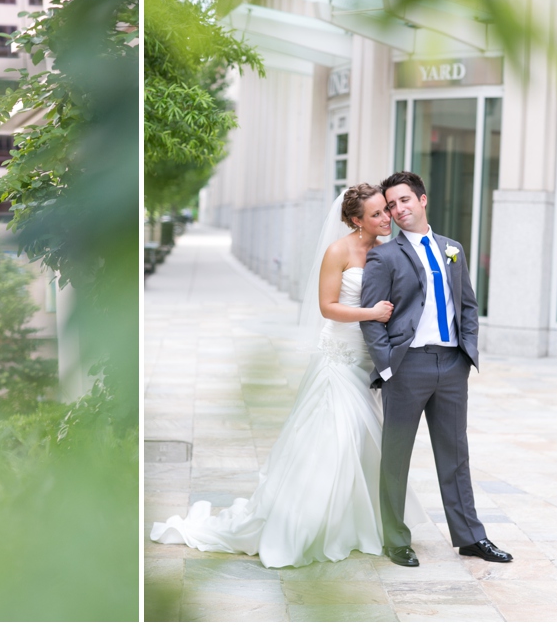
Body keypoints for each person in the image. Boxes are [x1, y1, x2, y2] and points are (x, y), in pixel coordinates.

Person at [150, 184, 424, 568]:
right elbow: (327, 307)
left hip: (367, 359)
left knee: (363, 439)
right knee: (337, 436)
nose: (386, 218)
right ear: (355, 220)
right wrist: (372, 314)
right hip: (338, 357)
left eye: (386, 211)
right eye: (377, 213)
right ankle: (306, 524)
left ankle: (354, 521)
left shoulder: (388, 250)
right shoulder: (338, 251)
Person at [359, 171, 512, 567]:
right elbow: (371, 319)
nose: (398, 209)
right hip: (407, 368)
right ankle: (396, 539)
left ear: (422, 200)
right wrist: (388, 368)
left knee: (455, 454)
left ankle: (471, 537)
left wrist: (467, 353)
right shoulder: (384, 255)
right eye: (391, 205)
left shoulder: (452, 249)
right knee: (396, 456)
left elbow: (468, 306)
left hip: (451, 365)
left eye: (404, 200)